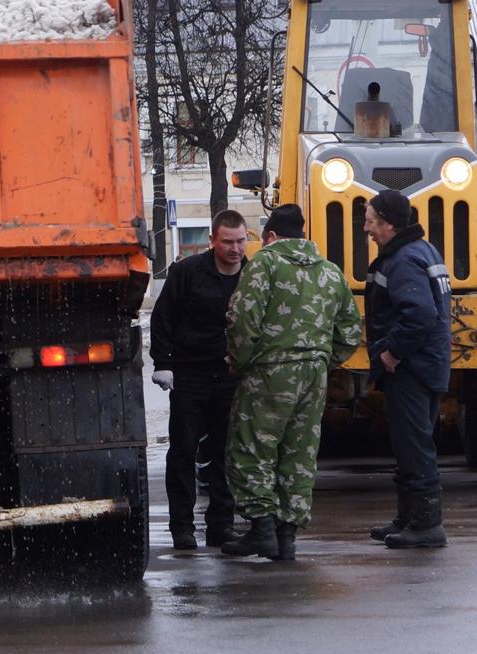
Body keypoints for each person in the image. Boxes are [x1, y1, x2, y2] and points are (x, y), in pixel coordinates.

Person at [218, 203, 362, 562]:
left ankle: (261, 530)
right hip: (313, 376)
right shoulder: (330, 273)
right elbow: (350, 331)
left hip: (268, 371)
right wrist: (323, 360)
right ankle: (287, 538)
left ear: (270, 236)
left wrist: (241, 361)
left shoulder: (265, 263)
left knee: (252, 447)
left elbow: (242, 317)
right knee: (299, 453)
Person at [151, 211, 251, 549]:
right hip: (190, 375)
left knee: (226, 453)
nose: (235, 249)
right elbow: (163, 317)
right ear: (212, 241)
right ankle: (182, 527)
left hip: (230, 377)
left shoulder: (253, 276)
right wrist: (162, 363)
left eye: (240, 241)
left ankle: (220, 525)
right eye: (227, 242)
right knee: (183, 450)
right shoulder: (188, 273)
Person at [361, 188, 453, 551]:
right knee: (409, 442)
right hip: (428, 365)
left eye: (370, 221)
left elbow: (420, 314)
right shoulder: (423, 251)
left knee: (414, 446)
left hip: (413, 369)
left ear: (387, 223)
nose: (366, 229)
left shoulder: (403, 259)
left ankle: (427, 525)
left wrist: (391, 354)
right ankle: (409, 518)